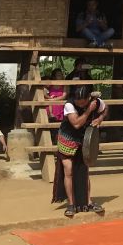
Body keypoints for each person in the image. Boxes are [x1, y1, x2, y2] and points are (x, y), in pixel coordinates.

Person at [52, 84, 107, 216]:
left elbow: (105, 108)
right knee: (68, 170)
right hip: (68, 139)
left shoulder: (96, 102)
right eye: (79, 102)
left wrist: (100, 118)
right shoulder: (69, 105)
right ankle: (71, 204)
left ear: (88, 98)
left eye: (83, 102)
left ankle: (88, 201)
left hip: (84, 139)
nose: (81, 104)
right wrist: (88, 110)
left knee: (84, 171)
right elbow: (76, 124)